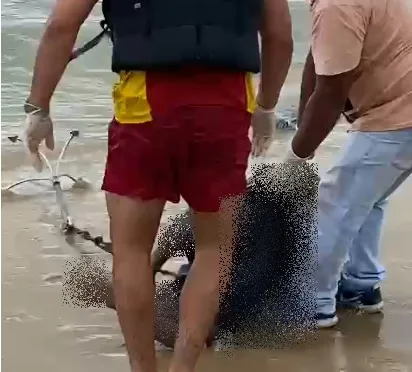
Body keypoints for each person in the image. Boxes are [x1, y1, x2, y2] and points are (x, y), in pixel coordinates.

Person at [23, 0, 293, 370]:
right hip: (226, 105)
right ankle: (183, 367)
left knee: (131, 252)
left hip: (146, 103)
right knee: (214, 250)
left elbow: (61, 25)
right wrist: (265, 106)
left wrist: (39, 108)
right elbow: (279, 35)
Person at [289, 0, 412, 328]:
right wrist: (304, 125)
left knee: (334, 203)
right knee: (368, 198)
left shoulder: (335, 5)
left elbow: (331, 90)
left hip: (397, 117)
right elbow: (318, 61)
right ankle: (360, 286)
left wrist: (298, 153)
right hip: (403, 110)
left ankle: (313, 303)